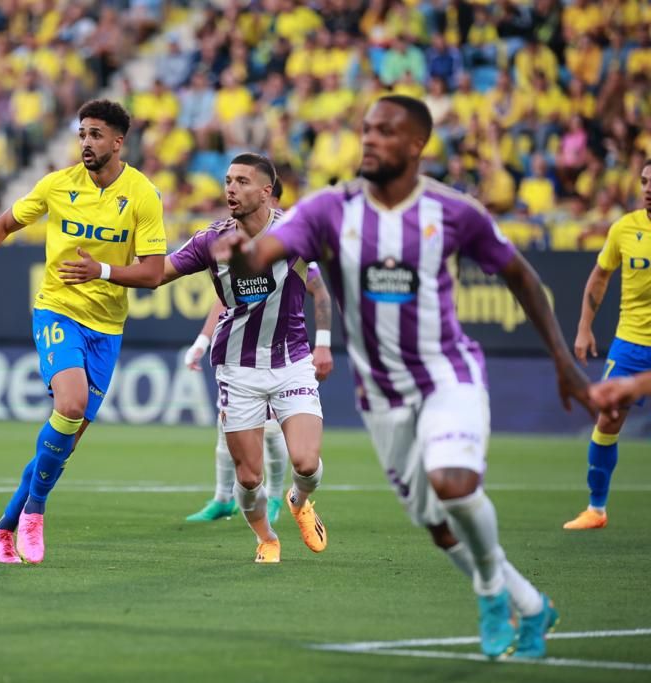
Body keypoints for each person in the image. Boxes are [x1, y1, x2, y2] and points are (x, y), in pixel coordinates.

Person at [212, 96, 593, 655]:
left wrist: (563, 359)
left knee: (455, 485)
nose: (370, 139)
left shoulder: (454, 211)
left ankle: (490, 593)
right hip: (382, 396)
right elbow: (267, 251)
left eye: (386, 131)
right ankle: (532, 605)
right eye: (366, 129)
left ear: (416, 144)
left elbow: (522, 278)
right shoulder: (327, 211)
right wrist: (238, 253)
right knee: (437, 524)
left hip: (448, 375)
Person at [0, 100, 166, 565]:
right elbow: (2, 224)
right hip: (56, 311)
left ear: (118, 142)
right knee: (71, 403)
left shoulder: (142, 194)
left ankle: (3, 528)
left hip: (107, 326)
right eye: (82, 133)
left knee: (67, 439)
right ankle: (35, 513)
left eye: (96, 134)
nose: (86, 142)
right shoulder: (57, 185)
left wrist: (100, 270)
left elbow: (154, 273)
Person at [162, 153, 328, 563]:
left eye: (241, 181)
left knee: (305, 463)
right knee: (249, 477)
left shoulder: (297, 232)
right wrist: (108, 271)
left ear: (266, 191)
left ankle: (298, 500)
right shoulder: (212, 240)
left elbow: (320, 291)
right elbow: (158, 273)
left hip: (292, 360)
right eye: (228, 180)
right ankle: (267, 538)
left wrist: (323, 342)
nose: (230, 189)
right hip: (237, 367)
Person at [566, 159, 651, 530]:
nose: (648, 188)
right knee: (608, 419)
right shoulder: (624, 228)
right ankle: (596, 509)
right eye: (645, 181)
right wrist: (585, 327)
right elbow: (600, 276)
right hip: (630, 343)